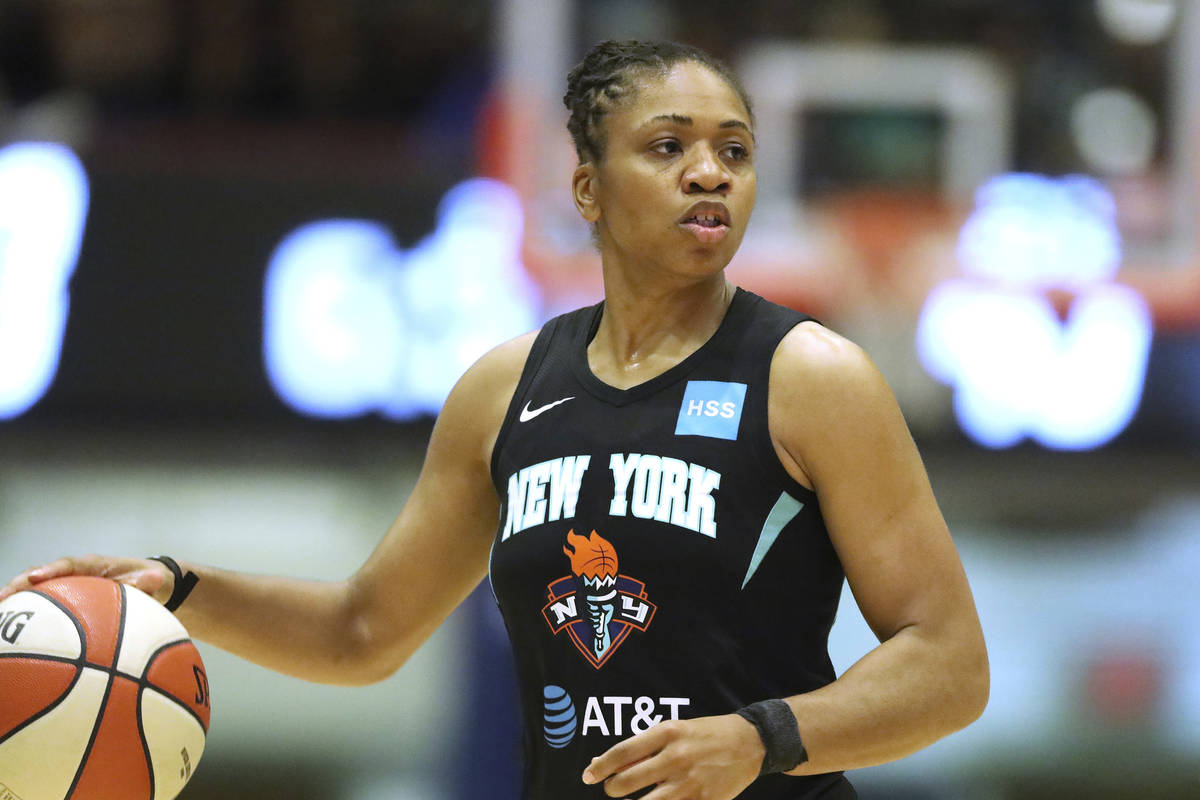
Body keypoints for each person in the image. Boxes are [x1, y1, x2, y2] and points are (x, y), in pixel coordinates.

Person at [1, 40, 988, 800]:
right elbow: (364, 629)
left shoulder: (812, 375)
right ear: (588, 189)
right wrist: (182, 586)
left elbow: (949, 663)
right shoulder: (505, 388)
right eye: (667, 146)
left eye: (732, 149)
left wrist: (763, 735)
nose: (708, 172)